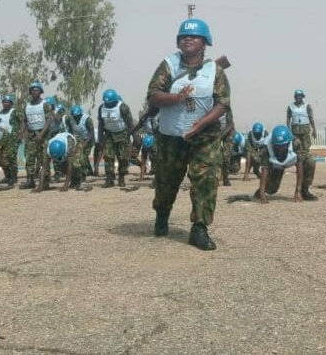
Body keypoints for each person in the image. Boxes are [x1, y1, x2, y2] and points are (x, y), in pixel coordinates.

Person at [147, 17, 231, 250]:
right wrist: (176, 98)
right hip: (171, 137)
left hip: (205, 136)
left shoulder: (216, 71)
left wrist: (201, 124)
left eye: (194, 36)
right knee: (166, 180)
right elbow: (153, 95)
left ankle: (199, 229)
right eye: (184, 36)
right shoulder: (169, 65)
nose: (188, 39)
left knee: (206, 180)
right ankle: (162, 216)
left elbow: (222, 103)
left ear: (205, 42)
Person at [255, 125, 306, 203]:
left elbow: (300, 164)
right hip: (276, 164)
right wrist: (262, 195)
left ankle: (304, 191)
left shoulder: (296, 143)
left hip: (290, 159)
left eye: (283, 145)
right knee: (272, 190)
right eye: (278, 146)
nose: (281, 148)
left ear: (289, 142)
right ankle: (261, 191)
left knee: (310, 161)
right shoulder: (266, 148)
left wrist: (298, 191)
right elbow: (264, 170)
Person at [97, 88, 136, 188]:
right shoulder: (101, 108)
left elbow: (130, 124)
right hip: (109, 135)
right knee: (108, 157)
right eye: (107, 103)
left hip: (123, 135)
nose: (109, 105)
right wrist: (100, 139)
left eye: (111, 103)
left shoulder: (123, 107)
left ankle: (121, 177)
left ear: (115, 100)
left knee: (123, 158)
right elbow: (101, 124)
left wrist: (135, 138)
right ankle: (109, 179)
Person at [286, 89, 319, 200]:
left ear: (303, 97)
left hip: (305, 131)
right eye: (297, 96)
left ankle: (304, 165)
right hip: (295, 131)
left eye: (300, 96)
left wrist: (314, 130)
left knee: (305, 151)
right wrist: (288, 130)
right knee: (297, 151)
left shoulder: (307, 106)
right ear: (295, 97)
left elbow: (311, 118)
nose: (298, 97)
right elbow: (288, 118)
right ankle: (298, 163)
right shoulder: (290, 106)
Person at [19, 81, 53, 189]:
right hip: (31, 134)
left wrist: (41, 134)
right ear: (30, 92)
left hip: (43, 134)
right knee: (30, 158)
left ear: (41, 92)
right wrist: (21, 133)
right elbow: (24, 120)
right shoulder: (27, 105)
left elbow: (49, 120)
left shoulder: (45, 104)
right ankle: (30, 180)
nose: (34, 92)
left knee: (44, 158)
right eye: (32, 90)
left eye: (37, 90)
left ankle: (45, 181)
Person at [0, 94, 21, 187]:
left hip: (12, 139)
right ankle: (7, 176)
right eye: (3, 102)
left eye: (7, 102)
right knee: (2, 160)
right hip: (1, 139)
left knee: (11, 158)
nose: (4, 103)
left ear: (11, 103)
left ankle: (13, 177)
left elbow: (23, 122)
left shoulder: (14, 112)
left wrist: (20, 135)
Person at [68, 104, 95, 179]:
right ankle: (88, 170)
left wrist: (86, 142)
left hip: (89, 139)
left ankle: (83, 175)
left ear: (80, 114)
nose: (76, 117)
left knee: (84, 156)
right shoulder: (70, 119)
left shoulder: (87, 119)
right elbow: (70, 131)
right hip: (78, 140)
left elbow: (91, 132)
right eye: (75, 116)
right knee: (78, 157)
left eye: (78, 116)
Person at [219, 107, 236, 186]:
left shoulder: (226, 109)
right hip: (217, 131)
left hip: (228, 133)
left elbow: (230, 125)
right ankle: (216, 178)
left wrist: (221, 136)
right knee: (215, 155)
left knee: (226, 157)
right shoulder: (209, 107)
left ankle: (226, 178)